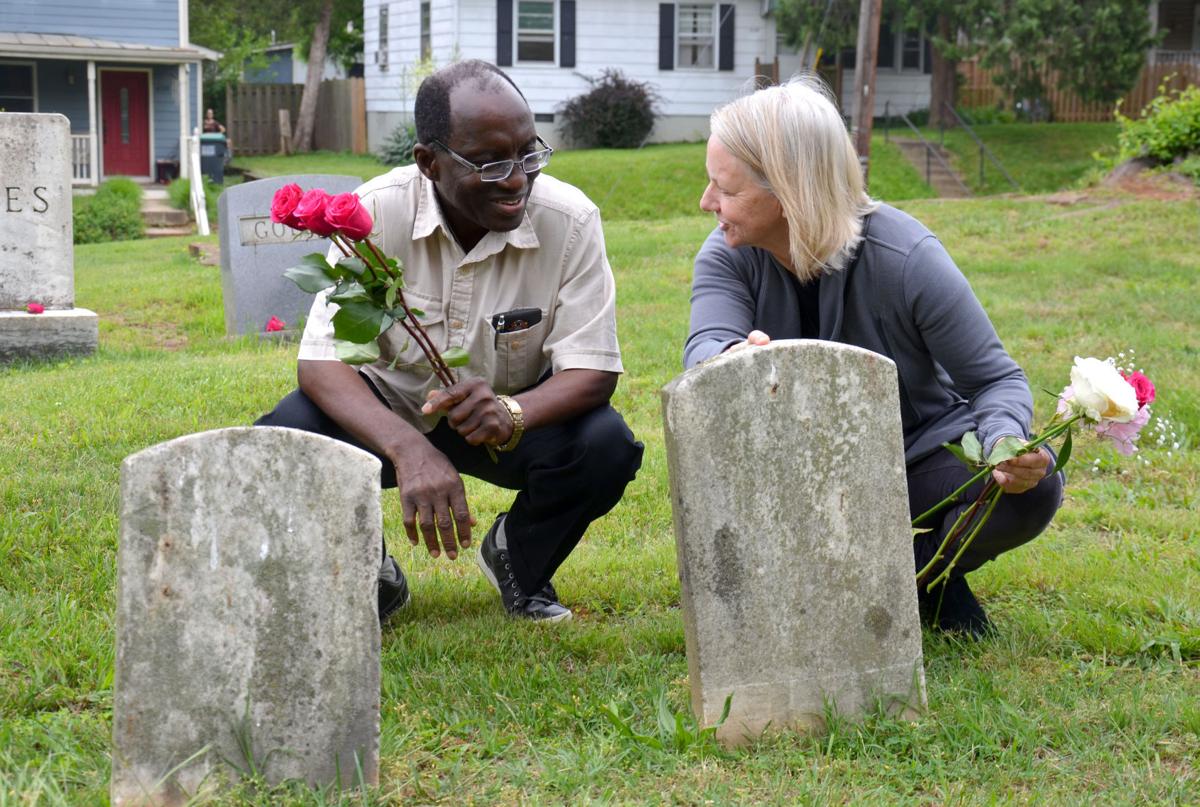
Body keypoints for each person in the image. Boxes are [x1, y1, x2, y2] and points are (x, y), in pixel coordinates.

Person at [257, 60, 643, 623]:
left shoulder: (571, 221)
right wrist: (408, 447)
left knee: (605, 445)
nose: (516, 180)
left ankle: (521, 559)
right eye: (489, 163)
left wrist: (512, 412)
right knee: (284, 444)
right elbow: (321, 364)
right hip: (390, 411)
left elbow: (593, 370)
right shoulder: (374, 214)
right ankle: (374, 574)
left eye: (528, 153)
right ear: (428, 162)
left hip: (507, 423)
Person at [684, 76, 1063, 637]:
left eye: (727, 189)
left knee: (1033, 494)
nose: (707, 202)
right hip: (787, 474)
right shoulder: (726, 254)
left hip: (909, 460)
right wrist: (729, 358)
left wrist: (1005, 445)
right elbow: (704, 348)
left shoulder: (908, 257)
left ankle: (917, 581)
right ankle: (890, 587)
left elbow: (995, 380)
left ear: (790, 191)